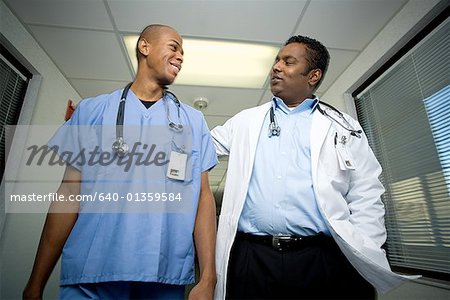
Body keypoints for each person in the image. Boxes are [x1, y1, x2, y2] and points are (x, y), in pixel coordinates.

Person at [212, 35, 415, 299]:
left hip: (322, 257)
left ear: (313, 76)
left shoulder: (344, 126)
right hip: (253, 258)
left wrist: (366, 247)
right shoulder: (246, 121)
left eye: (288, 61)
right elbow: (197, 148)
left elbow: (366, 192)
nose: (276, 67)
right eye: (277, 60)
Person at [23, 24, 218, 300]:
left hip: (161, 278)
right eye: (174, 47)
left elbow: (203, 200)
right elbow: (68, 195)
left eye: (183, 52)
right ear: (144, 47)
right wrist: (35, 282)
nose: (181, 56)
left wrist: (208, 276)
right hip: (91, 276)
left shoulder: (193, 122)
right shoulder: (91, 112)